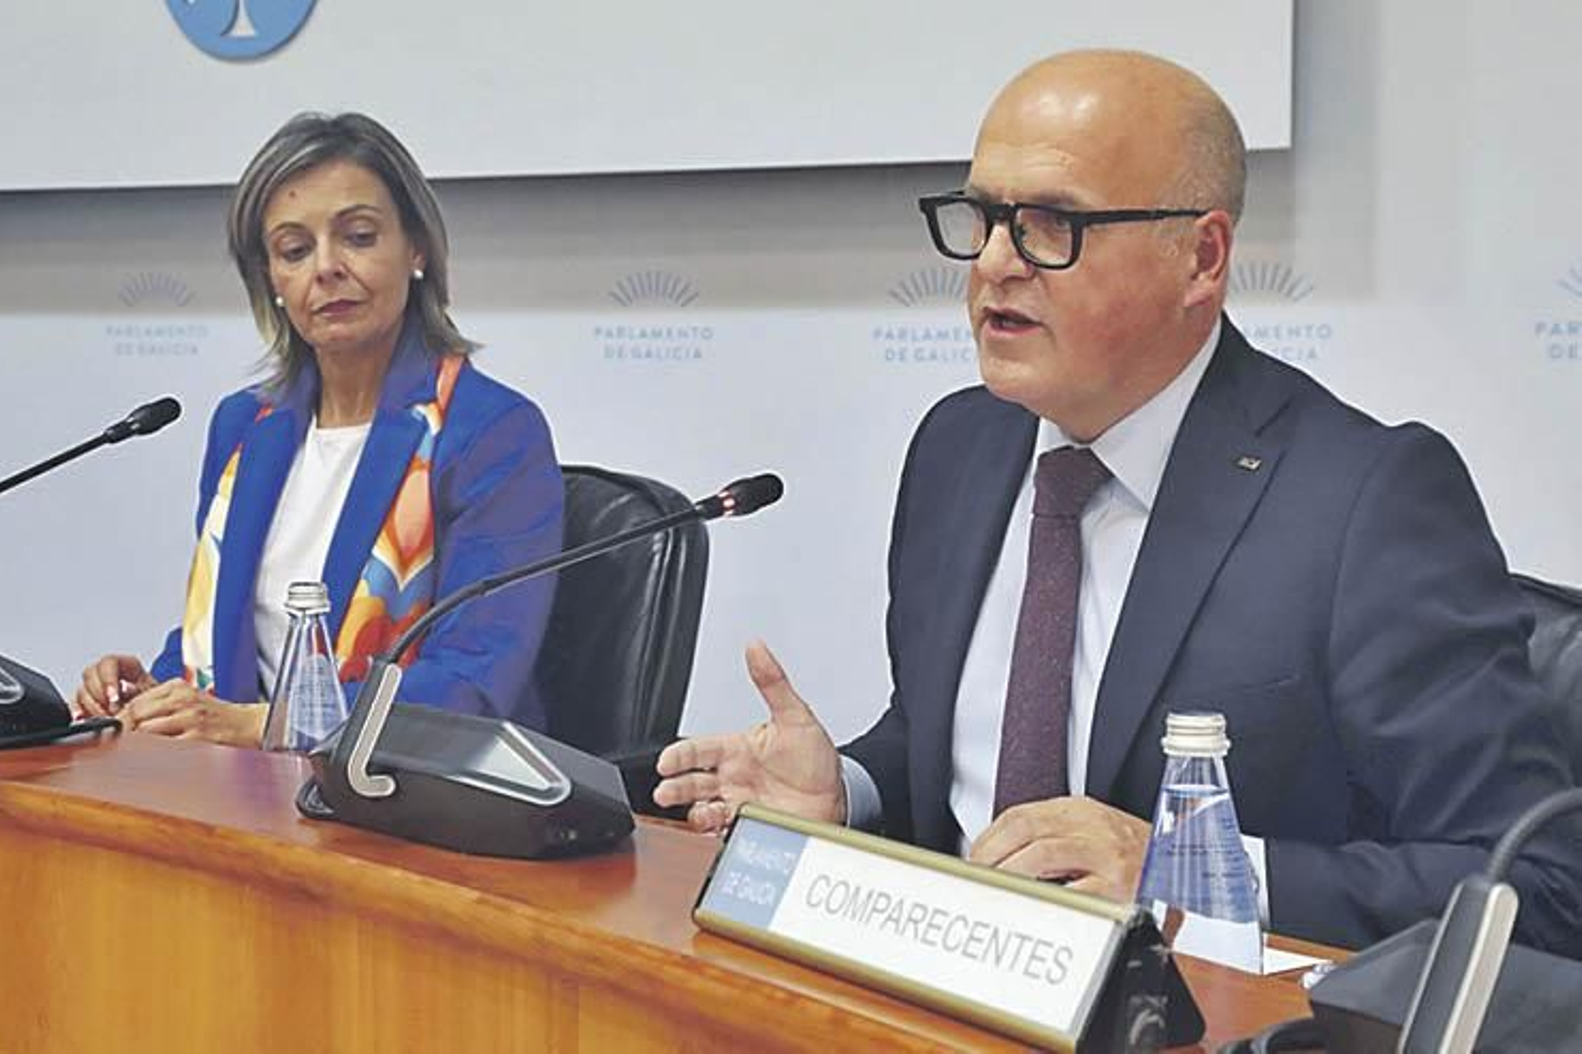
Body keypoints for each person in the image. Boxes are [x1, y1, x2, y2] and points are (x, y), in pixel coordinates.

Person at [655, 50, 1582, 956]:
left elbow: (1536, 886)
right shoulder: (961, 447)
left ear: (1202, 258)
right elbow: (968, 764)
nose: (993, 265)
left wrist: (1188, 874)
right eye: (981, 217)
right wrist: (848, 792)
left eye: (1051, 224)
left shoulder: (1362, 500)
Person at [71, 113, 563, 746]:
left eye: (357, 237)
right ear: (271, 281)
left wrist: (263, 728)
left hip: (407, 803)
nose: (325, 268)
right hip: (244, 793)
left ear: (416, 248)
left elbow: (469, 686)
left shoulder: (491, 432)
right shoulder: (247, 426)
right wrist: (151, 695)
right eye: (294, 250)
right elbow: (230, 643)